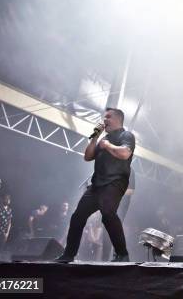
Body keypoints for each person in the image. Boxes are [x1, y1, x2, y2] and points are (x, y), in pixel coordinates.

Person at [55, 107, 135, 263]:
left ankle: (122, 254)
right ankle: (68, 254)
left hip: (115, 182)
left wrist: (108, 146)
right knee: (78, 216)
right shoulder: (103, 139)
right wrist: (95, 138)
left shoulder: (126, 135)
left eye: (108, 117)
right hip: (97, 185)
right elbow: (88, 156)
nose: (104, 120)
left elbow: (125, 154)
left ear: (118, 119)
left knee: (108, 214)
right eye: (104, 117)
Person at [101, 168, 135, 261]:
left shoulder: (130, 171)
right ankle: (104, 259)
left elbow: (131, 191)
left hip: (121, 204)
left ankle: (117, 256)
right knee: (105, 230)